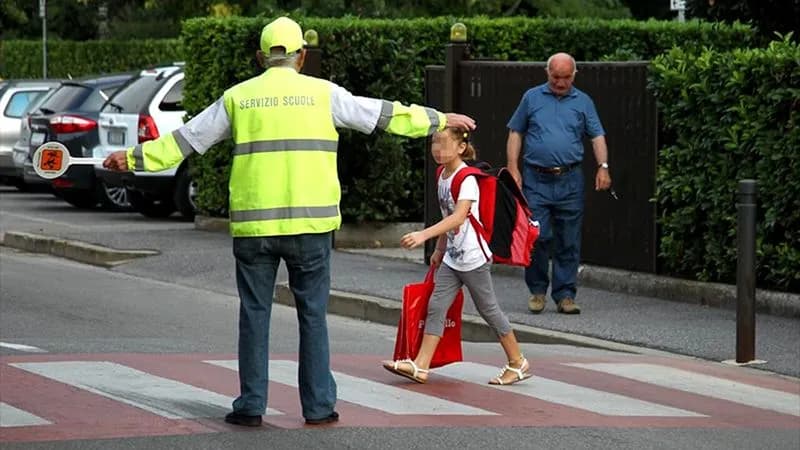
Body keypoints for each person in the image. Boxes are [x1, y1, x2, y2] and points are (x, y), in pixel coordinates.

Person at [103, 16, 476, 427]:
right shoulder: (324, 95)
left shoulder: (238, 98)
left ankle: (250, 406)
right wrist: (440, 119)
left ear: (261, 57)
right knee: (313, 316)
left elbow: (188, 140)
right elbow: (383, 116)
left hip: (255, 230)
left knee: (254, 313)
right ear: (301, 56)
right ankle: (317, 407)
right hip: (311, 228)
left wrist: (133, 158)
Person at [382, 127, 530, 386]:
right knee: (437, 306)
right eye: (434, 143)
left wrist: (423, 235)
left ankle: (517, 362)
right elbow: (446, 217)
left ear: (461, 147)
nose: (438, 149)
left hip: (473, 257)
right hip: (453, 257)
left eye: (444, 143)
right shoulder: (442, 175)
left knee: (489, 310)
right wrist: (440, 250)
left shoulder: (467, 179)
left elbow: (459, 216)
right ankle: (421, 365)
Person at [506, 52, 611, 316]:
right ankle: (538, 291)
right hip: (536, 178)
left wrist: (603, 167)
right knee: (538, 235)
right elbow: (516, 132)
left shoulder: (583, 102)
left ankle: (565, 294)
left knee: (569, 238)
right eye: (555, 77)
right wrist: (512, 168)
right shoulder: (532, 97)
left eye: (565, 77)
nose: (560, 83)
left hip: (570, 179)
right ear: (547, 73)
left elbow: (597, 135)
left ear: (574, 75)